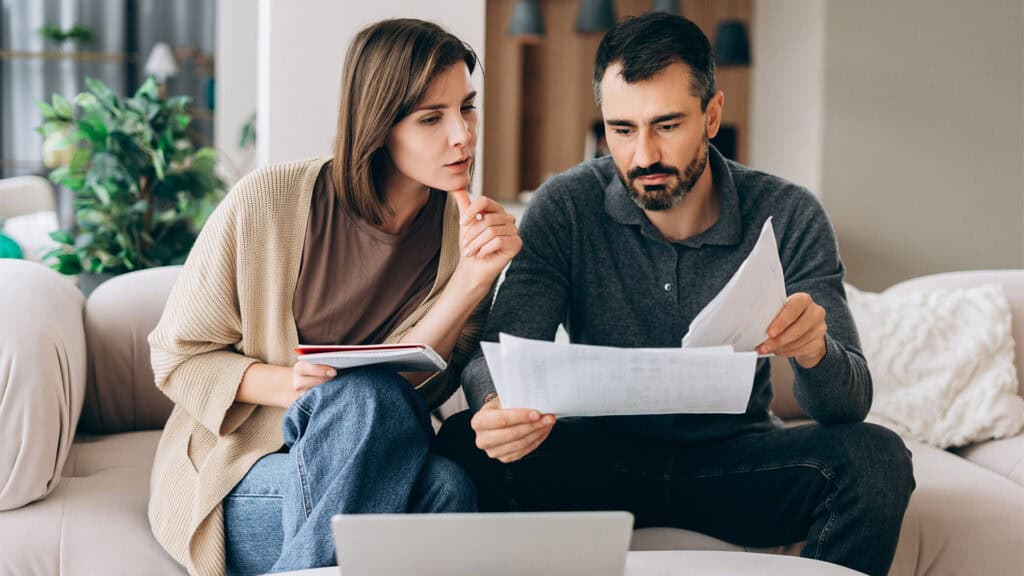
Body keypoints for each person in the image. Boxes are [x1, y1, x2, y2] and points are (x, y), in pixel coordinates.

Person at [440, 12, 914, 576]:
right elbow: (504, 345)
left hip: (736, 463)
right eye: (621, 129)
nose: (643, 156)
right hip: (599, 458)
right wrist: (495, 406)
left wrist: (814, 351)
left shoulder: (790, 213)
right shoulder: (565, 207)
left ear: (711, 115)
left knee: (877, 457)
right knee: (463, 449)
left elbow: (847, 404)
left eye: (666, 125)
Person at [147, 19, 521, 576]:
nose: (463, 134)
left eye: (466, 107)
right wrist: (291, 386)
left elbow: (423, 388)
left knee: (447, 485)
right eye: (431, 118)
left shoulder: (463, 236)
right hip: (247, 472)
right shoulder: (266, 203)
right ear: (378, 126)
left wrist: (472, 281)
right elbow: (177, 357)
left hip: (378, 462)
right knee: (363, 399)